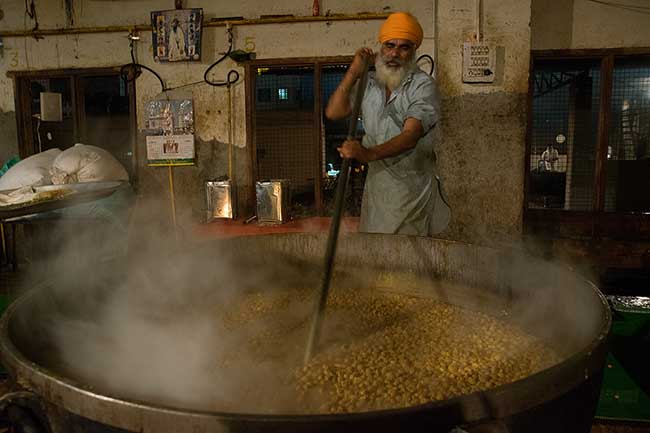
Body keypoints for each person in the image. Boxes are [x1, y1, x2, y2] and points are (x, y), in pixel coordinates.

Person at [325, 11, 450, 236]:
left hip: (412, 195)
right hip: (377, 190)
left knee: (406, 261)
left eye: (404, 47)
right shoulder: (371, 84)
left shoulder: (422, 87)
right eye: (390, 45)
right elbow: (334, 111)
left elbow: (411, 135)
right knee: (376, 257)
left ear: (414, 51)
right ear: (380, 48)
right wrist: (353, 72)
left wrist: (367, 154)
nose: (394, 53)